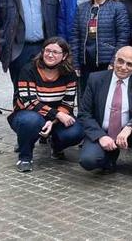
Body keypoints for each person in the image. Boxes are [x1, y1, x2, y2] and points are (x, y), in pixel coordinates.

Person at [78, 46, 132, 184]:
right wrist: (100, 136)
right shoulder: (96, 79)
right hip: (103, 131)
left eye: (130, 64)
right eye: (120, 61)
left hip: (130, 133)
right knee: (88, 161)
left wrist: (130, 126)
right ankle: (109, 157)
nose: (123, 67)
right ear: (114, 60)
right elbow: (84, 113)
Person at [10, 37, 84, 172]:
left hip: (56, 117)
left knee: (77, 131)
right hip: (29, 114)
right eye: (47, 50)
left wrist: (53, 121)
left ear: (64, 56)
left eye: (55, 52)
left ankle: (56, 145)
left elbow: (68, 103)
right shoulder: (28, 70)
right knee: (31, 121)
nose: (50, 55)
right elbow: (29, 102)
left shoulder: (69, 73)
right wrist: (56, 114)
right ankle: (25, 156)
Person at [69, 0, 130, 99]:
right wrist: (75, 62)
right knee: (85, 97)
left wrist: (114, 61)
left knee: (103, 98)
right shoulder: (82, 8)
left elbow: (123, 37)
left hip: (106, 62)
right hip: (85, 62)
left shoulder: (117, 8)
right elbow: (75, 37)